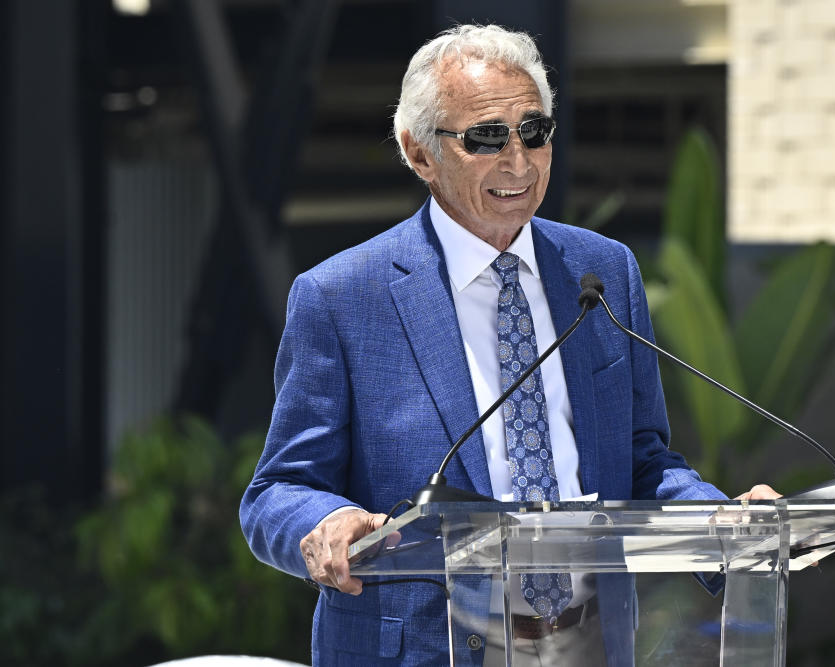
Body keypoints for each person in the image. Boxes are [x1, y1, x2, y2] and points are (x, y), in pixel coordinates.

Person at [240, 23, 778, 666]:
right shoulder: (342, 296)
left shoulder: (602, 272)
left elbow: (641, 460)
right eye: (486, 138)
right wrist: (322, 524)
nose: (518, 162)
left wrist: (719, 522)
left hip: (591, 643)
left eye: (534, 132)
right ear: (419, 153)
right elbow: (279, 489)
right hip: (421, 649)